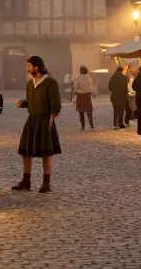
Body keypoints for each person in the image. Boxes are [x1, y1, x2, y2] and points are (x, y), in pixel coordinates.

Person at [12, 56, 62, 193]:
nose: (27, 68)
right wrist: (23, 103)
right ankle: (26, 181)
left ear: (36, 67)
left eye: (29, 66)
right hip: (32, 120)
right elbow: (30, 101)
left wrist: (52, 117)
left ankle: (46, 183)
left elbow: (56, 103)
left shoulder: (50, 82)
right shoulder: (30, 84)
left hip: (45, 120)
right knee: (25, 151)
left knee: (46, 152)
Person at [108, 65, 130, 129]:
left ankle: (115, 123)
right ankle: (120, 123)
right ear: (121, 71)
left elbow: (109, 87)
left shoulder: (113, 77)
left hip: (114, 96)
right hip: (122, 96)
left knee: (115, 110)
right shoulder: (124, 78)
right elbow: (126, 88)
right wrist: (126, 96)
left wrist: (114, 90)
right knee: (121, 110)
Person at [74, 65, 95, 130]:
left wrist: (77, 91)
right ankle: (91, 125)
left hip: (80, 96)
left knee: (81, 112)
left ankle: (83, 127)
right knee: (89, 111)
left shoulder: (78, 78)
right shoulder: (88, 78)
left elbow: (75, 87)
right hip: (87, 96)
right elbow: (91, 88)